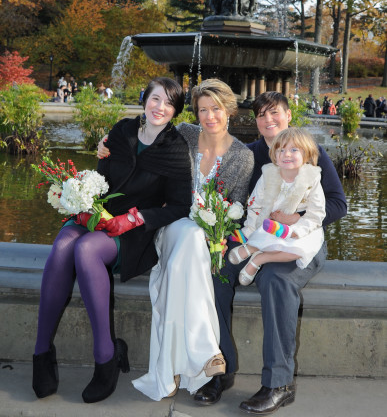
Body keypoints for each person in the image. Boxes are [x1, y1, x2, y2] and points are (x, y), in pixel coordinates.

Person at [32, 77, 192, 404]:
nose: (160, 107)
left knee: (86, 249)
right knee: (63, 246)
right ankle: (42, 352)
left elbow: (179, 206)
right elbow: (100, 179)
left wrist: (133, 219)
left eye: (169, 103)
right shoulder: (121, 132)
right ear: (145, 98)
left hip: (137, 231)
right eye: (155, 98)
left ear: (175, 110)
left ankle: (106, 356)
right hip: (100, 214)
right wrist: (82, 192)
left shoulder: (175, 148)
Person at [98, 79, 254, 400]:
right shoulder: (184, 134)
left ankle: (188, 365)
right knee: (188, 238)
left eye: (216, 110)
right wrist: (105, 144)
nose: (209, 117)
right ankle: (207, 355)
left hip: (207, 235)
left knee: (198, 256)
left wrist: (220, 238)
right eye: (202, 110)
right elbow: (144, 137)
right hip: (167, 225)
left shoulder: (241, 157)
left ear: (229, 111)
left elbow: (237, 210)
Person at [195, 91, 347, 414]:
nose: (268, 120)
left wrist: (297, 218)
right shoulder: (249, 155)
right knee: (218, 268)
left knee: (276, 280)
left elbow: (337, 203)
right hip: (257, 236)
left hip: (300, 241)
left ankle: (279, 383)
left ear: (288, 115)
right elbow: (233, 199)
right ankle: (221, 369)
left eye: (274, 113)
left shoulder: (310, 150)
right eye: (261, 115)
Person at [229, 128, 325, 286]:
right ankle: (252, 244)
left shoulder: (311, 179)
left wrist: (297, 230)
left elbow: (316, 213)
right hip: (270, 225)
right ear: (275, 155)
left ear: (306, 154)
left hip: (300, 228)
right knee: (269, 232)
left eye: (294, 150)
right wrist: (250, 229)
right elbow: (255, 204)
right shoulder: (268, 174)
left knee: (300, 249)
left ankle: (258, 257)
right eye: (281, 150)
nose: (286, 154)